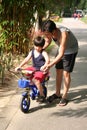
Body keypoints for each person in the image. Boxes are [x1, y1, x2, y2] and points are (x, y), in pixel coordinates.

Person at [40, 20, 78, 106]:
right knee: (58, 71)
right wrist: (41, 49)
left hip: (71, 49)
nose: (46, 36)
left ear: (53, 31)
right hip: (61, 48)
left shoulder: (63, 33)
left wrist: (49, 65)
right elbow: (48, 41)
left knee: (66, 73)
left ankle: (64, 96)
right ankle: (57, 94)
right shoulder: (50, 31)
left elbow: (61, 54)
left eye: (47, 34)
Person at [15, 36, 50, 102]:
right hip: (34, 69)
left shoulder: (43, 53)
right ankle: (30, 86)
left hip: (41, 70)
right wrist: (20, 66)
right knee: (25, 73)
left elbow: (48, 60)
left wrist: (45, 66)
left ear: (42, 47)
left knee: (35, 79)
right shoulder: (32, 52)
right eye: (36, 46)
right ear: (34, 45)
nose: (37, 48)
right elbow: (26, 59)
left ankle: (42, 95)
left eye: (39, 47)